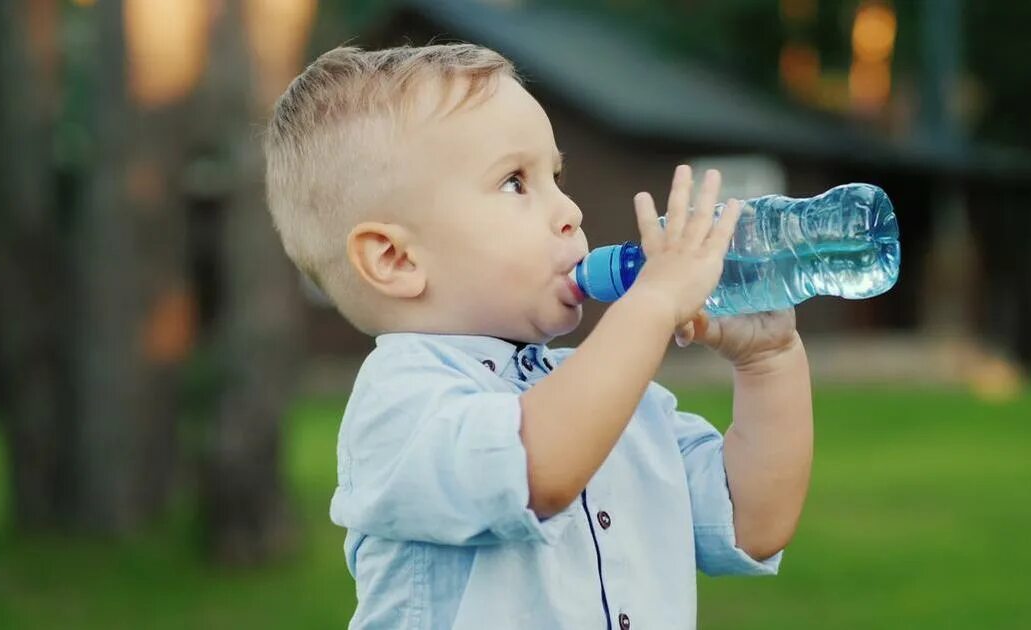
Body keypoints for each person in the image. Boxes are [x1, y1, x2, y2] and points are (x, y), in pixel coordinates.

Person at [264, 43, 813, 629]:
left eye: (556, 176)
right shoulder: (400, 407)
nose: (570, 210)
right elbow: (539, 468)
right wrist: (652, 301)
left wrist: (768, 362)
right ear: (396, 259)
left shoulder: (613, 401)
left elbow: (752, 523)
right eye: (514, 184)